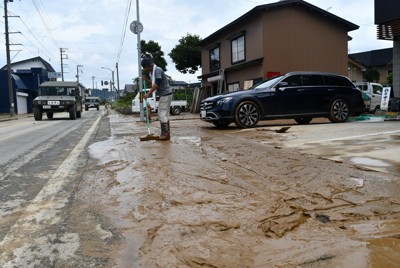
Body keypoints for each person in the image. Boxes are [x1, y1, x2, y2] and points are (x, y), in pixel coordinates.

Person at [141, 57, 172, 140]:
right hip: (166, 94)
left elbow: (157, 83)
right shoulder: (153, 72)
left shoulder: (157, 70)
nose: (146, 69)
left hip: (165, 94)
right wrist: (147, 80)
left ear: (148, 65)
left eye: (145, 68)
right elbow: (153, 83)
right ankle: (166, 133)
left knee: (161, 113)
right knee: (165, 114)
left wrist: (148, 93)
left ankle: (165, 134)